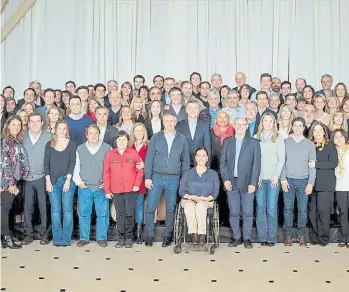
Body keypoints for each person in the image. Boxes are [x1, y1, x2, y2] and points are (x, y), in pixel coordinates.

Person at [144, 113, 190, 247]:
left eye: (172, 121)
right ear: (163, 122)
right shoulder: (156, 137)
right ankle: (149, 235)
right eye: (166, 121)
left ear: (175, 122)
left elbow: (185, 161)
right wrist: (147, 177)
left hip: (174, 177)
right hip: (156, 176)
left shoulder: (182, 139)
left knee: (171, 207)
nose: (169, 123)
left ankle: (168, 236)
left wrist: (183, 179)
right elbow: (149, 158)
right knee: (151, 206)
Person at [220, 117, 261, 249]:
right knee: (234, 212)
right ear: (234, 126)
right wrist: (225, 179)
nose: (240, 126)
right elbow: (223, 163)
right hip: (231, 182)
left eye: (243, 124)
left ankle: (247, 238)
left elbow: (256, 165)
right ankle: (237, 237)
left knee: (248, 212)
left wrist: (253, 183)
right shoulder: (227, 142)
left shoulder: (254, 143)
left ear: (247, 126)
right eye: (237, 124)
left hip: (247, 182)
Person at [73, 125, 111, 247]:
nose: (93, 136)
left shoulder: (107, 148)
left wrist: (107, 182)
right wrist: (78, 182)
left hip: (101, 187)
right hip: (85, 187)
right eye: (91, 133)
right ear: (86, 135)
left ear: (99, 134)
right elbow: (76, 167)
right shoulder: (80, 149)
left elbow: (111, 168)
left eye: (96, 133)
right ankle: (84, 238)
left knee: (103, 214)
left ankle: (101, 238)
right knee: (84, 213)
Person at [104, 131, 144, 248]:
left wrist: (137, 184)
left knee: (129, 214)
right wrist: (107, 190)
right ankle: (121, 238)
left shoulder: (133, 153)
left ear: (128, 141)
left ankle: (128, 238)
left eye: (124, 140)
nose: (122, 142)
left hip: (131, 189)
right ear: (116, 141)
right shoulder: (110, 154)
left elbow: (140, 170)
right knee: (120, 214)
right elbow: (106, 173)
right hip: (116, 189)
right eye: (119, 140)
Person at [281, 117, 316, 247]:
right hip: (289, 179)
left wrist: (310, 183)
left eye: (300, 125)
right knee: (288, 209)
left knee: (302, 210)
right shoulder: (285, 142)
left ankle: (301, 235)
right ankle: (288, 236)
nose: (297, 128)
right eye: (295, 125)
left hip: (304, 181)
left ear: (303, 127)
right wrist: (283, 180)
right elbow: (281, 163)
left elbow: (312, 165)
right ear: (292, 126)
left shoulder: (309, 144)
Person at [21, 113, 53, 245]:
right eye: (32, 122)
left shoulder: (49, 136)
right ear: (28, 123)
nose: (35, 124)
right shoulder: (22, 137)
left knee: (43, 206)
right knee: (28, 207)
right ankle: (28, 234)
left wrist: (49, 178)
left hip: (42, 177)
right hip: (27, 178)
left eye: (37, 121)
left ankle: (45, 234)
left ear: (42, 123)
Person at [255, 113, 285, 247]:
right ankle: (262, 237)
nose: (268, 123)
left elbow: (281, 159)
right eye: (265, 121)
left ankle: (271, 238)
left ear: (274, 123)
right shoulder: (255, 138)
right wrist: (257, 175)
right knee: (260, 207)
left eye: (270, 121)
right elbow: (254, 160)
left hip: (273, 179)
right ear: (262, 123)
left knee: (271, 208)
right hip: (260, 179)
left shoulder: (278, 138)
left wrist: (276, 175)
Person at [44, 120, 76, 246]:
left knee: (67, 210)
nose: (62, 131)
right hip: (52, 181)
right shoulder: (49, 144)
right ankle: (57, 237)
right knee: (55, 210)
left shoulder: (72, 144)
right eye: (60, 128)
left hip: (67, 180)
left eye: (64, 128)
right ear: (55, 130)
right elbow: (46, 163)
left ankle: (66, 238)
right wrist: (48, 181)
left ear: (67, 131)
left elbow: (72, 162)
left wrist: (68, 180)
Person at [179, 148, 220, 246]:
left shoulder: (213, 174)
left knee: (201, 205)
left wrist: (206, 198)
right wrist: (191, 197)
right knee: (189, 206)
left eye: (203, 155)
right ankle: (194, 234)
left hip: (206, 200)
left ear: (207, 158)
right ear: (195, 158)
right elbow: (181, 191)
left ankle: (202, 235)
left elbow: (215, 192)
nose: (201, 158)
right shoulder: (187, 174)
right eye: (199, 155)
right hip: (189, 199)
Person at [1, 116, 29, 249]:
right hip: (7, 182)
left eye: (18, 125)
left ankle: (7, 235)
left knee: (9, 209)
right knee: (5, 209)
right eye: (13, 125)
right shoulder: (5, 142)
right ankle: (6, 238)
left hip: (16, 180)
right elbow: (5, 164)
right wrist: (11, 183)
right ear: (8, 126)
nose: (16, 127)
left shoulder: (17, 141)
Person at [308, 122, 338, 246]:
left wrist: (317, 164)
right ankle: (314, 237)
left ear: (324, 133)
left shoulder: (329, 146)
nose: (318, 133)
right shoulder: (309, 146)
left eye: (321, 130)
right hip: (311, 184)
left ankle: (324, 238)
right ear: (312, 133)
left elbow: (333, 163)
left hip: (325, 185)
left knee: (323, 212)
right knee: (312, 212)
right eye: (316, 130)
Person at [176, 100, 211, 167]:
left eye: (195, 108)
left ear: (199, 110)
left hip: (200, 163)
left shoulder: (205, 125)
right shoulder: (179, 125)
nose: (193, 110)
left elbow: (207, 146)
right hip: (183, 163)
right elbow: (177, 146)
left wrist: (207, 165)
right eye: (190, 108)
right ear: (186, 110)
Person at [130, 123, 148, 243]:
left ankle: (139, 231)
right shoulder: (128, 146)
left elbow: (154, 163)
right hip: (128, 180)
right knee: (129, 207)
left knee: (139, 206)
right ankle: (130, 230)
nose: (139, 133)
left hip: (141, 181)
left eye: (141, 131)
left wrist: (144, 166)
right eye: (137, 131)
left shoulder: (149, 146)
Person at [333, 129, 349, 247]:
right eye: (336, 137)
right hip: (340, 187)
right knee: (343, 213)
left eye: (341, 136)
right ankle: (343, 238)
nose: (339, 139)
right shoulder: (332, 152)